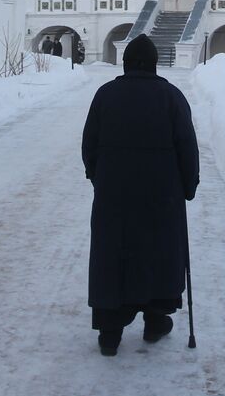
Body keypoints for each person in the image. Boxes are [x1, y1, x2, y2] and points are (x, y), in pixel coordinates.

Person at [81, 34, 200, 356]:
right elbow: (187, 147)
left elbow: (89, 144)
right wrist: (188, 186)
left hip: (113, 194)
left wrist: (98, 177)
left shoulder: (105, 95)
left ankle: (109, 331)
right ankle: (155, 320)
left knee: (113, 255)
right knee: (156, 254)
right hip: (161, 194)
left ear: (125, 63)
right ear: (154, 64)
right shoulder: (171, 96)